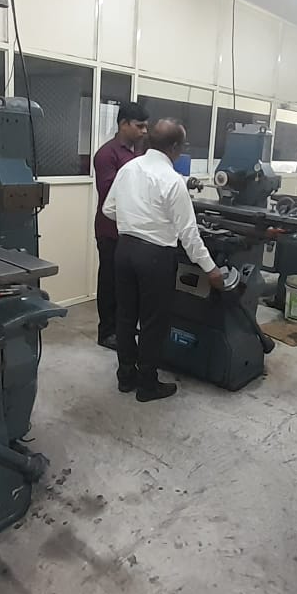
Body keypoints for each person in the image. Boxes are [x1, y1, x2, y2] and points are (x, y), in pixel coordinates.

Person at [104, 118, 224, 402]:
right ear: (175, 148)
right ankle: (147, 385)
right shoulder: (172, 181)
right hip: (155, 257)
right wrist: (211, 269)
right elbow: (189, 234)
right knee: (153, 322)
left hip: (124, 251)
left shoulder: (128, 168)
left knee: (125, 316)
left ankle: (125, 377)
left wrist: (134, 220)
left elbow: (109, 209)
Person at [92, 100, 148, 349]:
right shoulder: (107, 155)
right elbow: (111, 193)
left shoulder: (140, 152)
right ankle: (107, 332)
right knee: (110, 282)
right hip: (110, 231)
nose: (144, 131)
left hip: (133, 230)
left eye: (146, 127)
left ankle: (122, 327)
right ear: (123, 124)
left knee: (127, 284)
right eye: (139, 126)